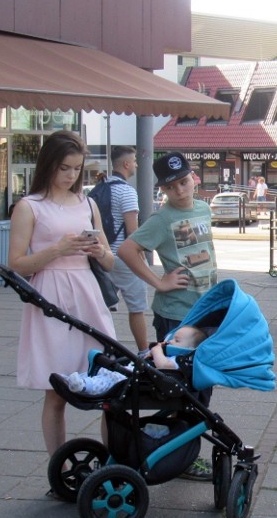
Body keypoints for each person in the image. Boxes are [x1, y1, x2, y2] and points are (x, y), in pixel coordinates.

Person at [7, 130, 117, 458]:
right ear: (49, 165)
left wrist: (97, 250)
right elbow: (16, 265)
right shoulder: (29, 206)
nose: (70, 176)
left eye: (76, 169)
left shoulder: (88, 203)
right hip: (50, 297)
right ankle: (61, 470)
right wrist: (58, 249)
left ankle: (109, 464)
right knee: (56, 392)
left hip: (87, 294)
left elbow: (110, 262)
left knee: (110, 384)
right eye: (64, 168)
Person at [117, 152, 218, 481]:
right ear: (163, 189)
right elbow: (127, 250)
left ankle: (178, 447)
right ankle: (179, 453)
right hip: (175, 316)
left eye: (184, 181)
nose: (179, 190)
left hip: (203, 313)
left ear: (194, 178)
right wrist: (159, 281)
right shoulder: (161, 219)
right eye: (171, 186)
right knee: (183, 391)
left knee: (200, 389)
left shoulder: (203, 208)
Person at [64, 326, 207, 395]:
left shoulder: (179, 361)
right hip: (136, 372)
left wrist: (156, 351)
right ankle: (78, 380)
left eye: (177, 340)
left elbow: (164, 365)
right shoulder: (170, 353)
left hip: (139, 379)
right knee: (104, 371)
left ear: (190, 348)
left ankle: (84, 386)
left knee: (111, 380)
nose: (171, 342)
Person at [104, 146, 150, 355]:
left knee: (102, 306)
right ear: (126, 164)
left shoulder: (100, 188)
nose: (136, 164)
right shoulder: (127, 191)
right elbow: (133, 231)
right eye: (134, 160)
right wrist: (141, 258)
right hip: (124, 258)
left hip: (103, 257)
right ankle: (143, 351)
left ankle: (101, 348)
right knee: (137, 308)